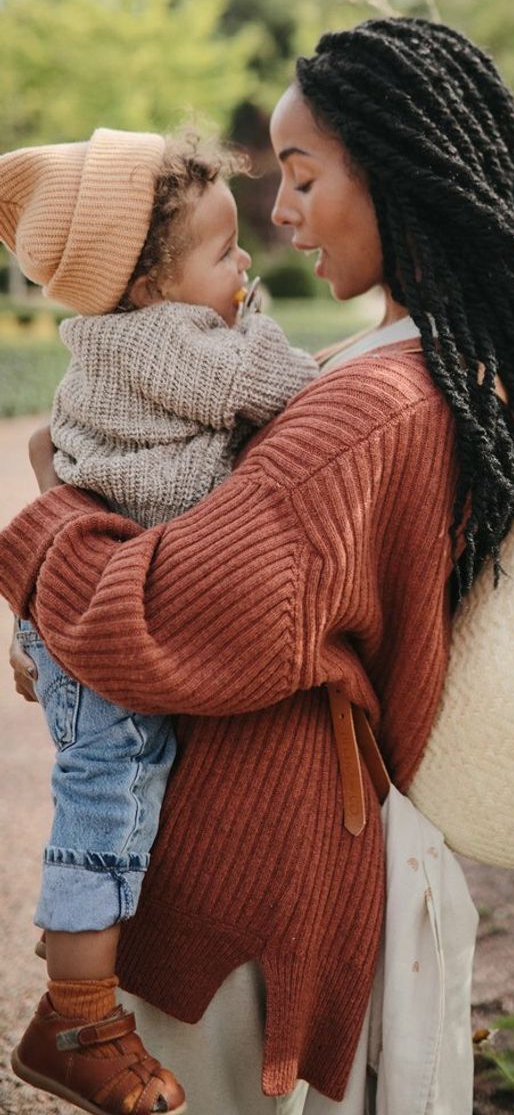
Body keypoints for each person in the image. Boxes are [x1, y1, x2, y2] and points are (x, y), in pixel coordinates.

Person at [2, 17, 514, 1114]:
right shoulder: (428, 372)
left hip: (260, 867)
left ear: (392, 179)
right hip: (300, 848)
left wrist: (49, 525)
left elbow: (161, 619)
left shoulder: (367, 408)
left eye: (301, 178)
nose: (278, 215)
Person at [0, 127, 320, 1113]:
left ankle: (85, 1000)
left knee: (120, 791)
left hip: (76, 598)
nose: (245, 267)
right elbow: (290, 391)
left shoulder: (121, 334)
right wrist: (262, 325)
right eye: (224, 255)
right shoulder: (171, 343)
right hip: (101, 615)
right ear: (146, 287)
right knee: (108, 797)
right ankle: (76, 1019)